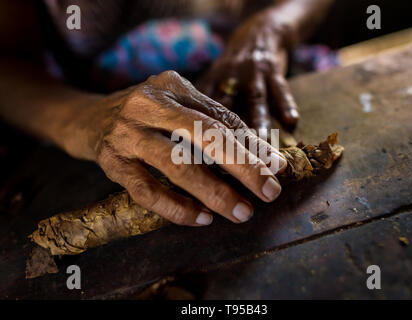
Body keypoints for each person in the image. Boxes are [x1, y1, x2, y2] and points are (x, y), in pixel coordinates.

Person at [0, 0, 333, 227]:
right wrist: (87, 120)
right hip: (102, 110)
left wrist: (273, 26)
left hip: (264, 68)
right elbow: (8, 62)